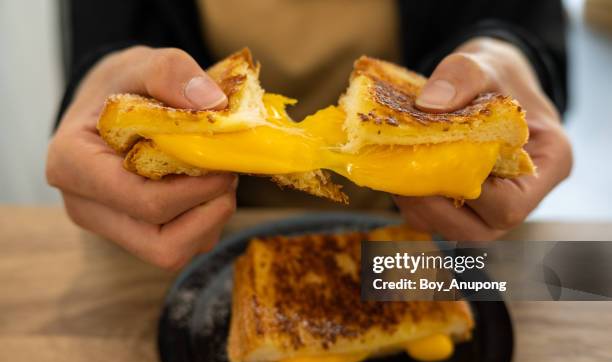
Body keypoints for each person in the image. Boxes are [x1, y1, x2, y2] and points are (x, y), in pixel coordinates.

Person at [46, 0, 572, 271]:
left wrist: (508, 56)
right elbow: (107, 34)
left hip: (435, 237)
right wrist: (103, 74)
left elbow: (522, 19)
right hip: (198, 238)